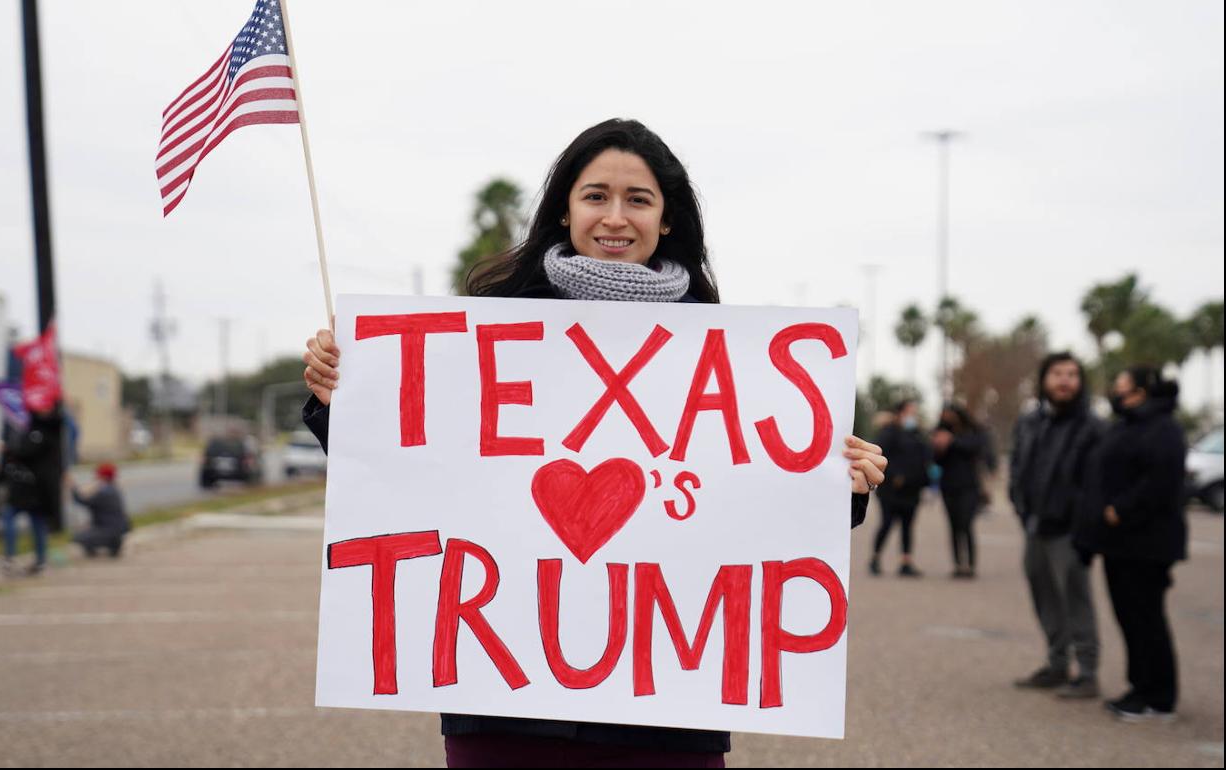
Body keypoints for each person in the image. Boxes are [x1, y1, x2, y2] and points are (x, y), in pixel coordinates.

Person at [300, 119, 890, 768]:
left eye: (638, 199)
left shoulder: (728, 351)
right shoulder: (488, 328)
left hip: (669, 708)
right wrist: (340, 398)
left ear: (667, 219)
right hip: (505, 704)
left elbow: (760, 510)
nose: (615, 217)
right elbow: (402, 469)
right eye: (595, 196)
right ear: (565, 210)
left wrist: (842, 485)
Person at [1076, 366, 1187, 722]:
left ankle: (1159, 697)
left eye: (1121, 385)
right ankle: (1139, 688)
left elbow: (1161, 480)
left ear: (1140, 390)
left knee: (1146, 618)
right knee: (1129, 618)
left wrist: (1119, 510)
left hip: (1146, 543)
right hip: (1119, 544)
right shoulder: (1127, 423)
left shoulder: (1163, 427)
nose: (1115, 390)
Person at [1009, 353, 1103, 698]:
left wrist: (1082, 522)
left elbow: (1095, 482)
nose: (1065, 380)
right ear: (1044, 379)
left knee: (1077, 600)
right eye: (1058, 373)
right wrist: (1020, 506)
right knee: (1044, 597)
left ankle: (1088, 673)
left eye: (1073, 374)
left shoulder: (1092, 426)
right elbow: (1018, 466)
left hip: (1070, 531)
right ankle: (1057, 664)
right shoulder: (1031, 421)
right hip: (1035, 526)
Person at [0, 402, 64, 575]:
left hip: (33, 487)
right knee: (33, 522)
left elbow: (26, 451)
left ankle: (19, 559)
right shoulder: (39, 426)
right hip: (29, 486)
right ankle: (35, 559)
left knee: (22, 519)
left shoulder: (44, 429)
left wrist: (9, 449)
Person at [932, 403, 993, 578]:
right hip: (948, 485)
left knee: (966, 523)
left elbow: (975, 448)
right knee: (953, 525)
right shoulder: (940, 431)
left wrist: (952, 442)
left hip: (969, 486)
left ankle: (971, 564)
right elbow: (936, 460)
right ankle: (958, 564)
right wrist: (939, 447)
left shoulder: (972, 431)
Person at [870, 398, 930, 577]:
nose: (913, 414)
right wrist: (895, 475)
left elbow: (925, 455)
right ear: (900, 412)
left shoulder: (917, 433)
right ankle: (875, 558)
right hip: (891, 490)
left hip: (912, 489)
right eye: (910, 411)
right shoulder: (889, 432)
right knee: (887, 524)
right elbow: (880, 454)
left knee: (907, 526)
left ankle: (906, 562)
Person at [70, 463, 130, 558]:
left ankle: (97, 547)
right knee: (92, 528)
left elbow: (83, 501)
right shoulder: (114, 489)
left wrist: (73, 488)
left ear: (103, 477)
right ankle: (114, 545)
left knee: (78, 536)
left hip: (108, 529)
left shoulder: (103, 492)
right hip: (119, 528)